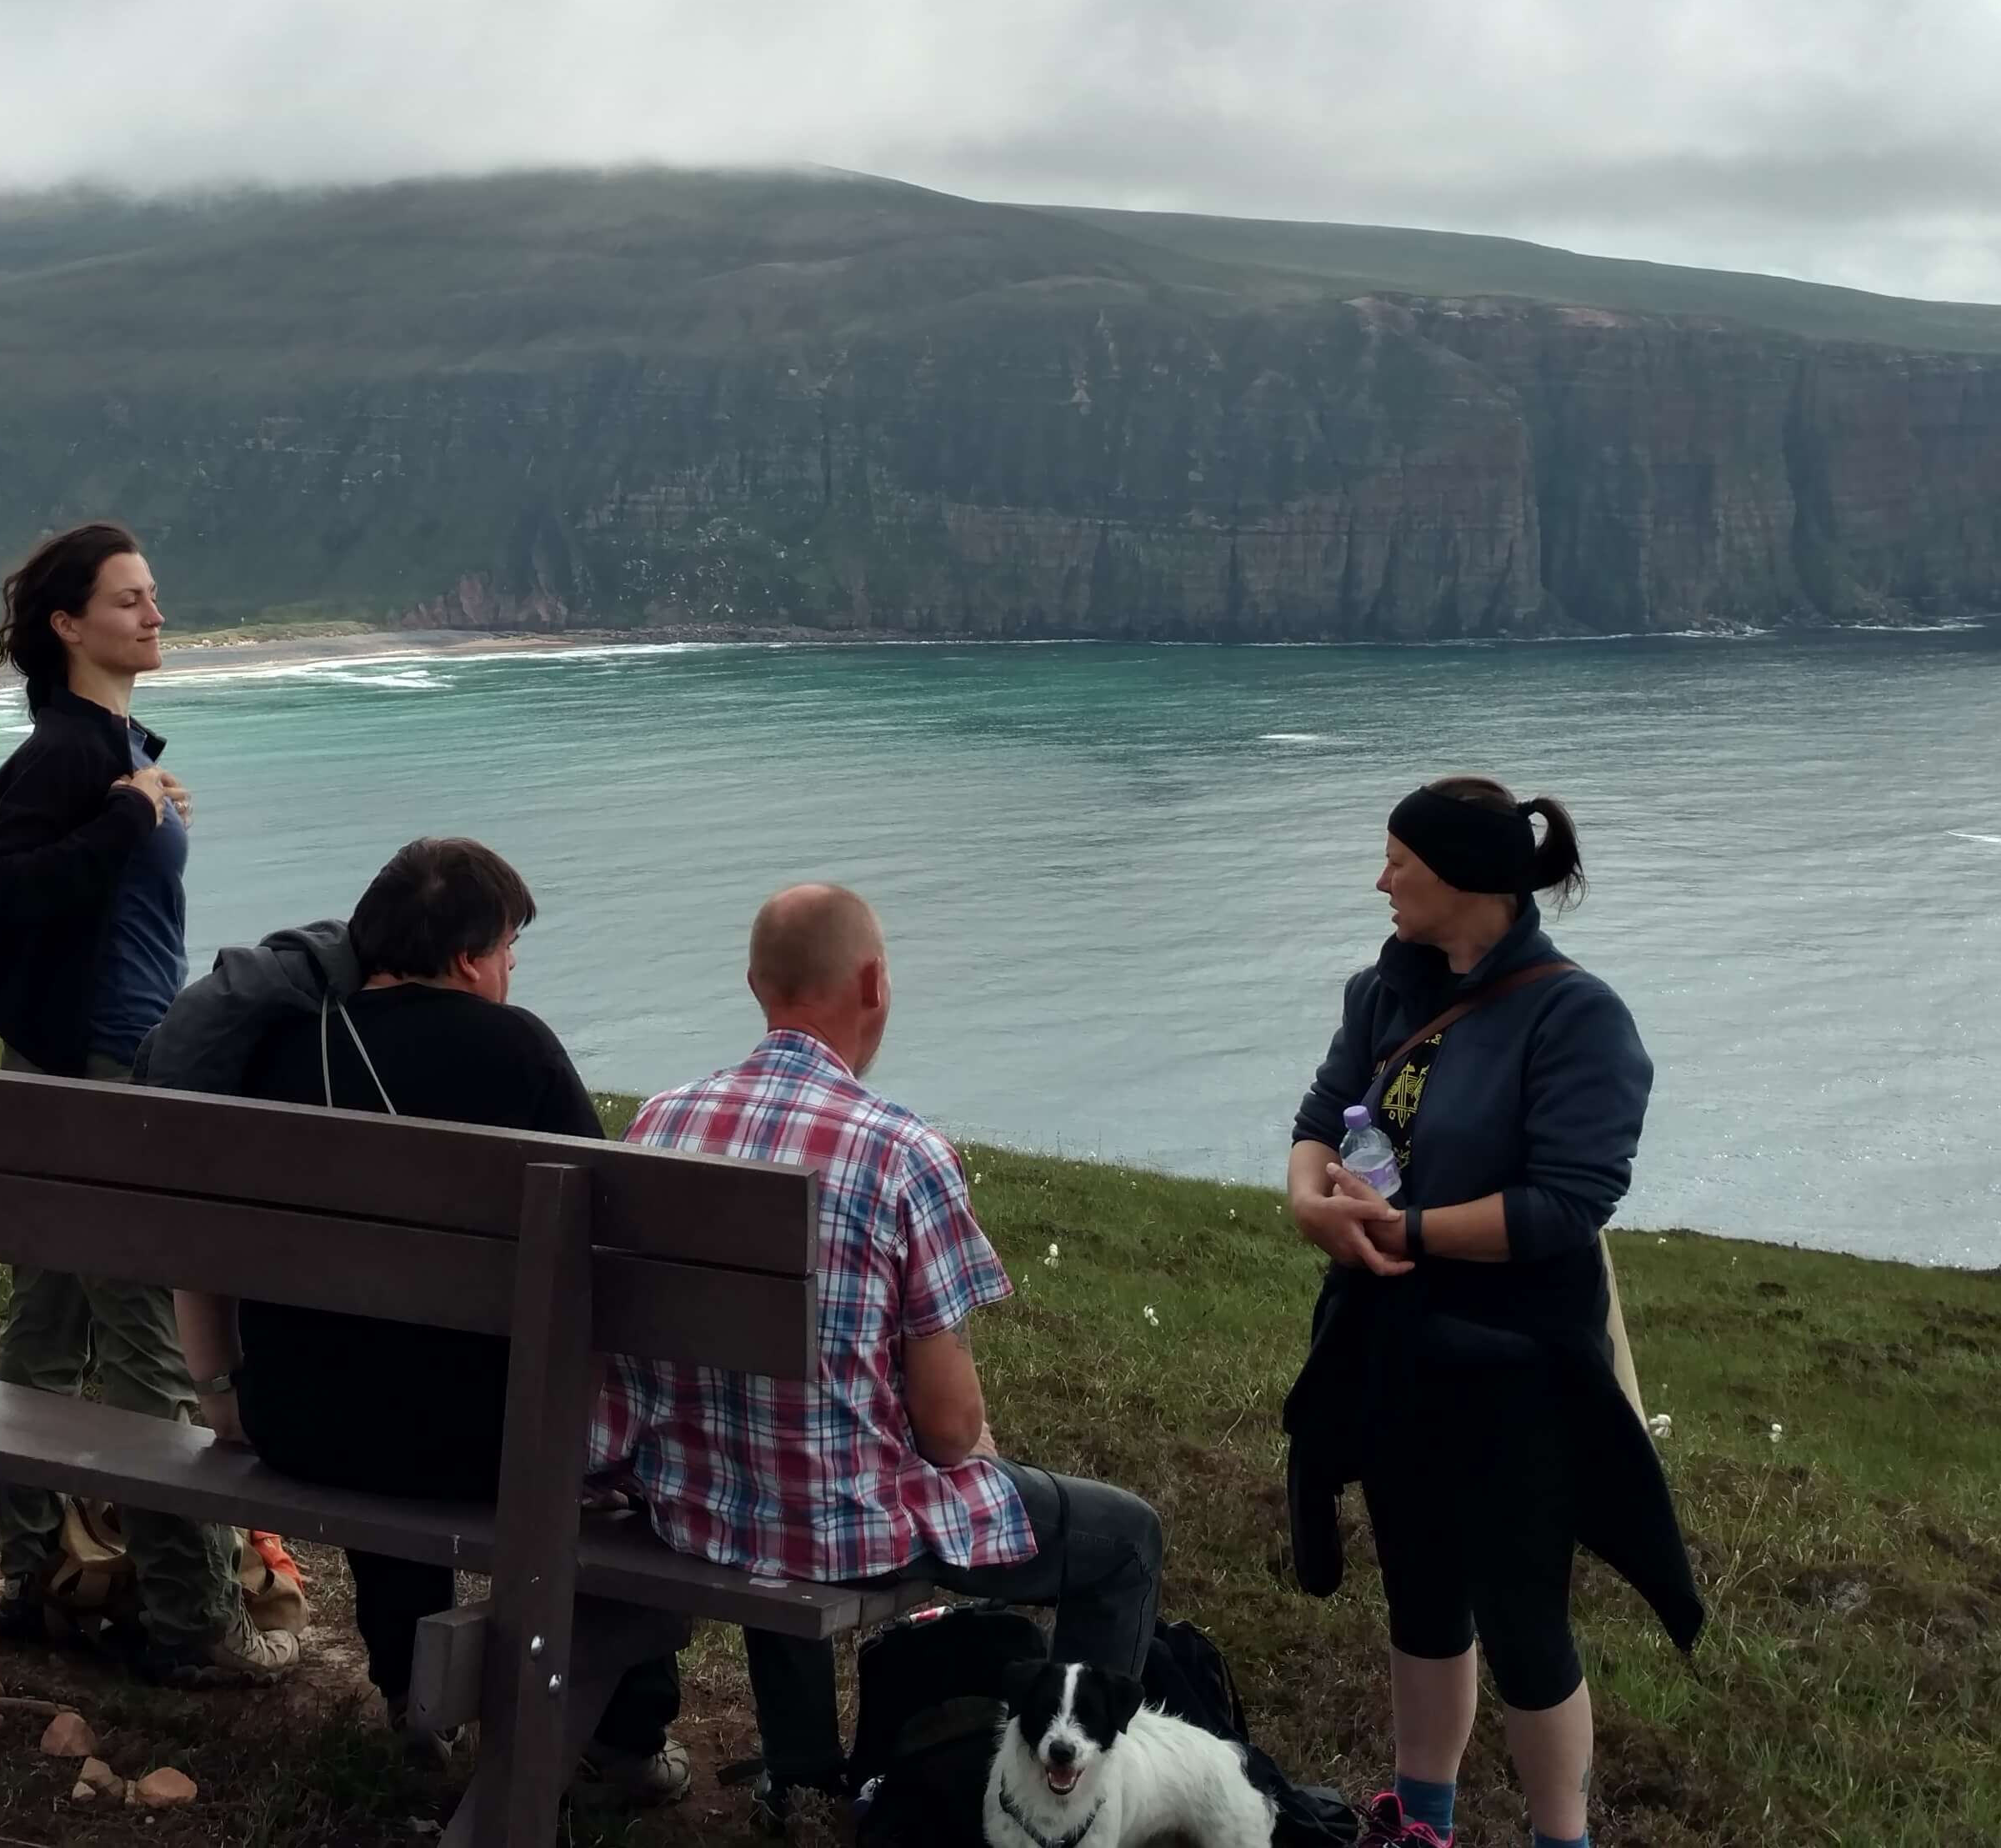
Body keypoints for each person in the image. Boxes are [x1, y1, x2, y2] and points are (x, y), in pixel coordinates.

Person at [593, 883, 1164, 1794]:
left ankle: (805, 1776)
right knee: (1126, 1539)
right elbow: (944, 1427)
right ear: (875, 984)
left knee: (781, 1463)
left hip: (697, 1497)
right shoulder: (900, 1151)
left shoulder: (662, 1121)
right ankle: (1075, 1803)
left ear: (753, 983)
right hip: (837, 1523)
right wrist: (969, 1446)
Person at [177, 839, 688, 1802]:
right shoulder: (518, 1049)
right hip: (487, 1447)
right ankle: (623, 1738)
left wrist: (224, 1400)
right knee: (600, 1469)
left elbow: (197, 1247)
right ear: (467, 960)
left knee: (374, 1366)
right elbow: (616, 1252)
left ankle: (411, 1696)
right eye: (507, 952)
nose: (508, 973)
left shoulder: (282, 1047)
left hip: (301, 1424)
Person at [1278, 779, 1703, 1848]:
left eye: (1398, 864)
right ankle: (1424, 1824)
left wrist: (1405, 1233)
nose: (1380, 882)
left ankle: (1560, 1837)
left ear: (1462, 878)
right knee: (1419, 1597)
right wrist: (1307, 1201)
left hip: (1517, 1366)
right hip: (1397, 1351)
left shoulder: (1576, 1016)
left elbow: (1568, 1203)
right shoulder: (1386, 988)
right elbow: (1322, 1114)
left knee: (1523, 1622)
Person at [0, 522, 288, 1685]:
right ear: (69, 625)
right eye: (129, 601)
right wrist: (128, 816)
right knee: (147, 1347)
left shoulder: (102, 740)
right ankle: (186, 1620)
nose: (155, 615)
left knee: (49, 1331)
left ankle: (36, 1579)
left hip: (78, 1069)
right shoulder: (76, 756)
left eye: (155, 596)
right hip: (104, 1079)